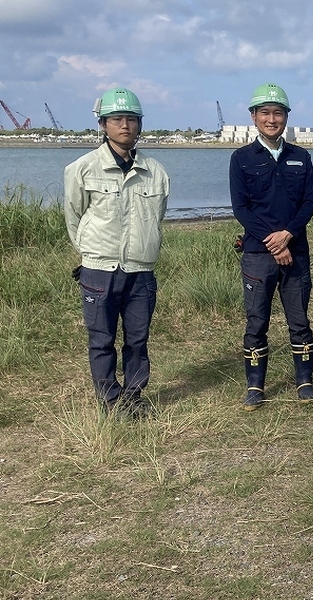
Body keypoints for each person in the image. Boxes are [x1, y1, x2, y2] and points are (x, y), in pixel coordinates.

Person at [64, 87, 170, 419]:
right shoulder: (82, 168)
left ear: (140, 124)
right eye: (117, 119)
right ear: (103, 124)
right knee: (101, 338)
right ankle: (110, 400)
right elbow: (74, 217)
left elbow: (157, 216)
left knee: (138, 338)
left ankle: (134, 396)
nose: (125, 126)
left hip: (141, 270)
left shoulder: (155, 171)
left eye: (131, 119)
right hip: (99, 269)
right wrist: (93, 252)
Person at [229, 83, 313, 411]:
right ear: (254, 117)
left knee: (300, 320)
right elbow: (241, 208)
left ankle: (305, 381)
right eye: (265, 113)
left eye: (277, 113)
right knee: (256, 321)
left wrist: (288, 235)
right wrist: (274, 242)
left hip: (296, 251)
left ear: (286, 117)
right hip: (257, 254)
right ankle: (255, 386)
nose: (271, 119)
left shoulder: (301, 157)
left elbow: (310, 202)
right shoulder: (241, 159)